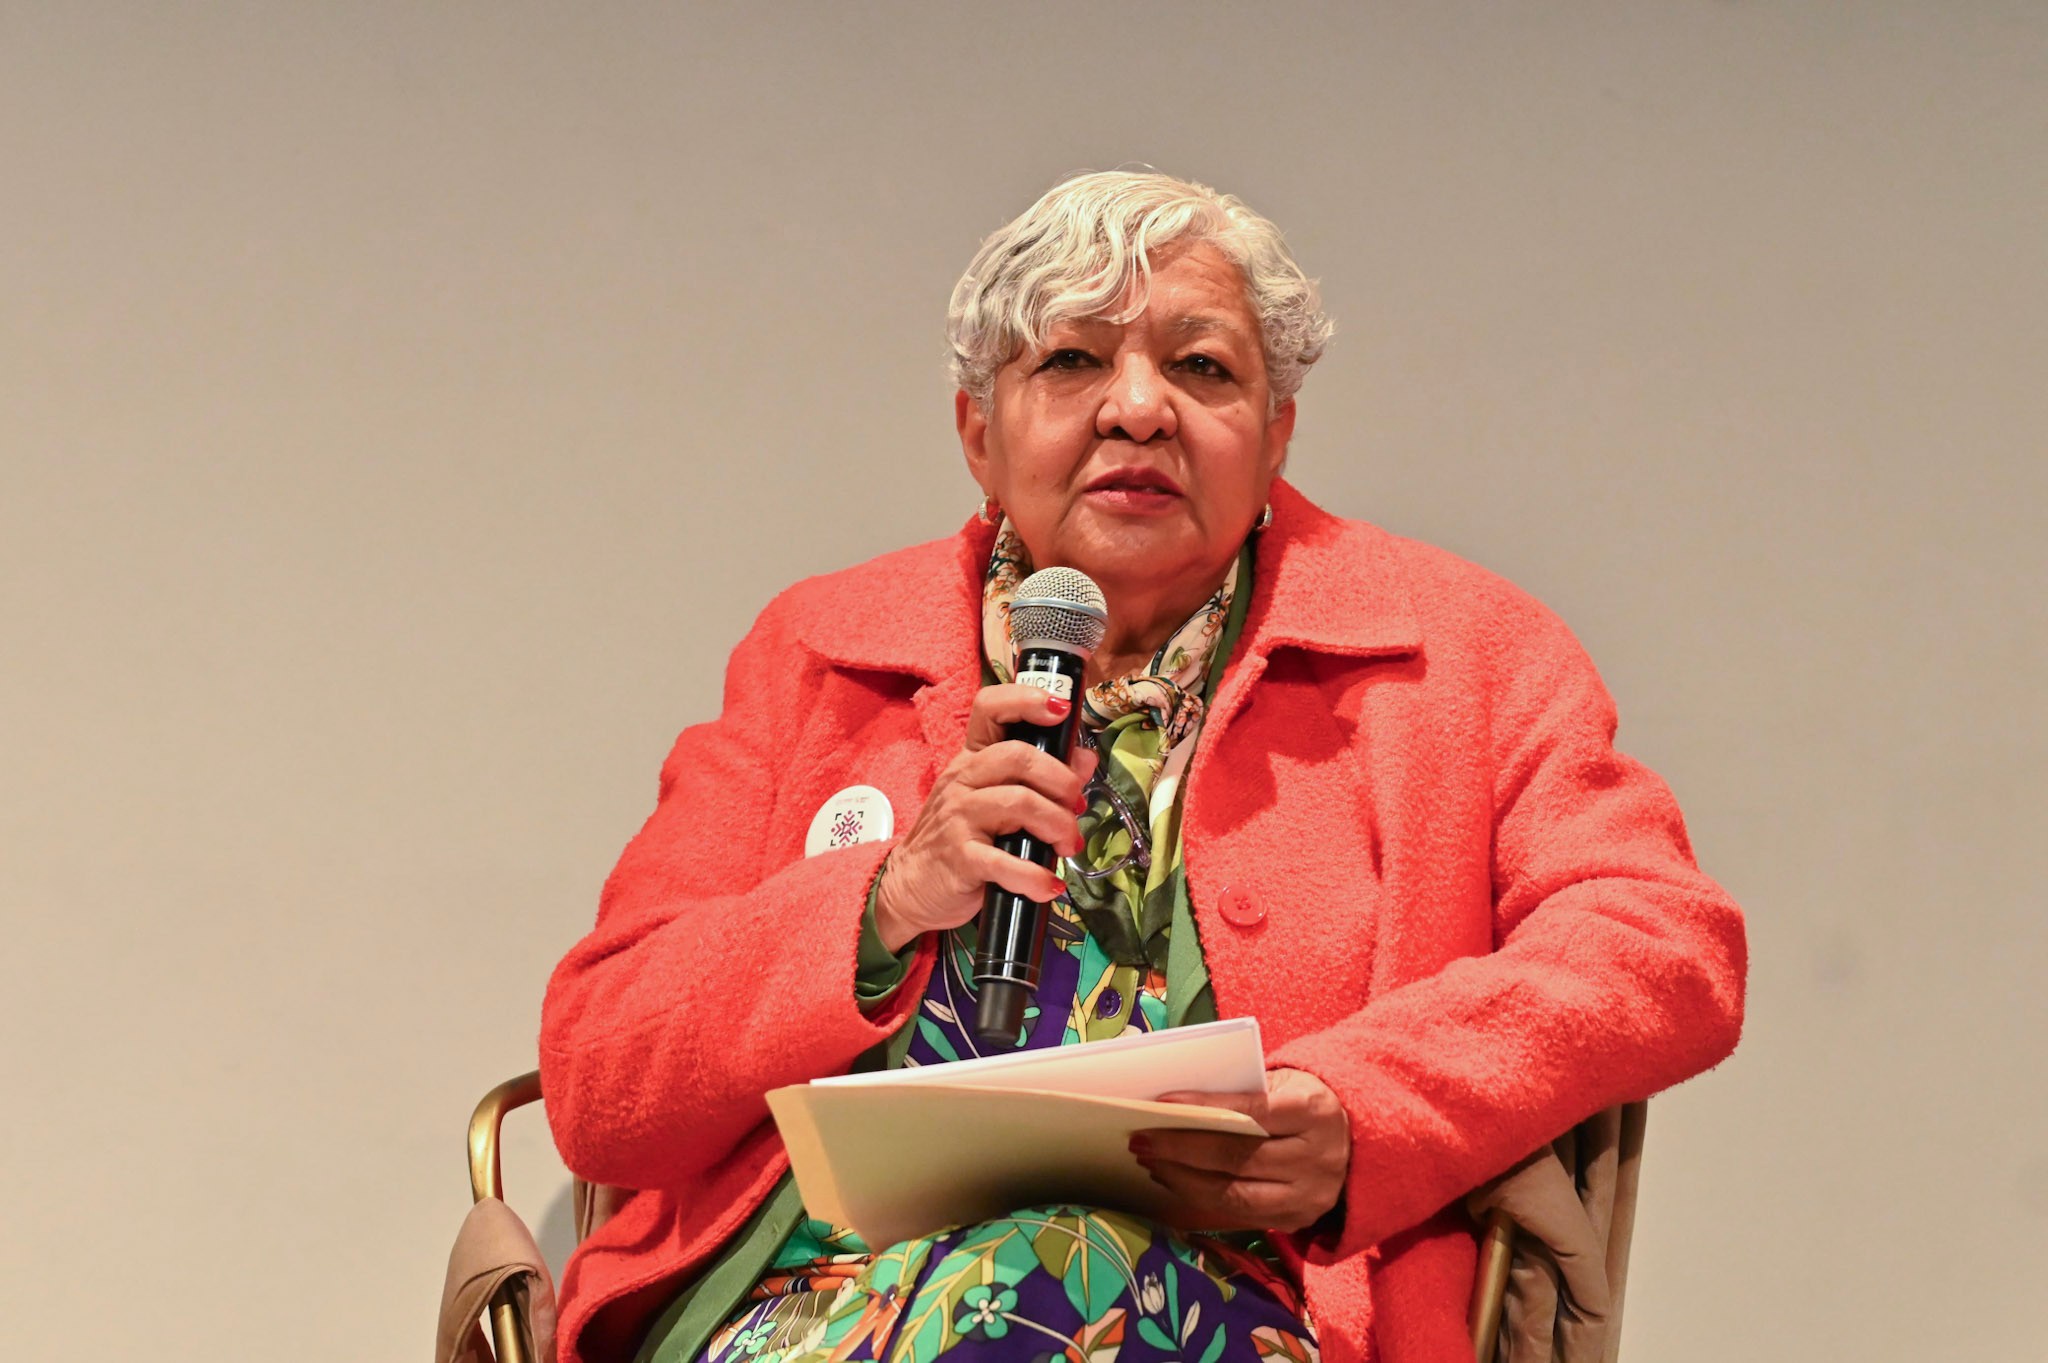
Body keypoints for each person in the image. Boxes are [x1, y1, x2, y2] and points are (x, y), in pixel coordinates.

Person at [539, 170, 1747, 1363]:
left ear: (1274, 434)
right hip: (820, 1300)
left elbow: (1659, 941)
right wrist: (881, 901)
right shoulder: (819, 649)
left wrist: (1363, 1106)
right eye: (1071, 360)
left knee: (1047, 1282)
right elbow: (598, 1074)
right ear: (978, 432)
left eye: (1201, 368)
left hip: (1242, 1298)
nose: (1136, 409)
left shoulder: (1460, 651)